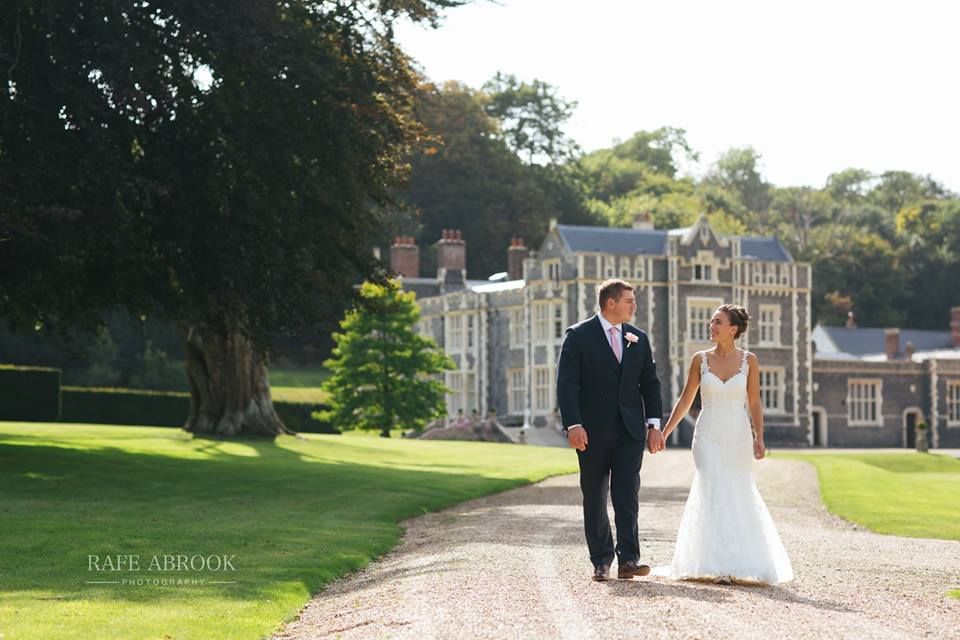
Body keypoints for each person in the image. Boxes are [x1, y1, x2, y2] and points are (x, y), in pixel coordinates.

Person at [658, 304, 793, 585]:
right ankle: (714, 562)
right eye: (711, 322)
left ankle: (739, 561)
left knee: (736, 491)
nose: (712, 326)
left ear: (733, 329)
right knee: (711, 489)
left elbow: (754, 401)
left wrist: (759, 437)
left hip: (737, 436)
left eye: (718, 322)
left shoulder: (749, 361)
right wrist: (665, 432)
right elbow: (685, 400)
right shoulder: (700, 359)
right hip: (706, 435)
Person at [556, 279, 664, 582]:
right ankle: (601, 560)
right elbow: (567, 383)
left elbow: (650, 384)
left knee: (626, 495)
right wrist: (573, 424)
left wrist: (654, 425)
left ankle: (628, 559)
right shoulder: (578, 336)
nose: (634, 305)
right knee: (595, 495)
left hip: (630, 431)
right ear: (610, 303)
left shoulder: (638, 338)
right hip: (591, 431)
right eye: (629, 300)